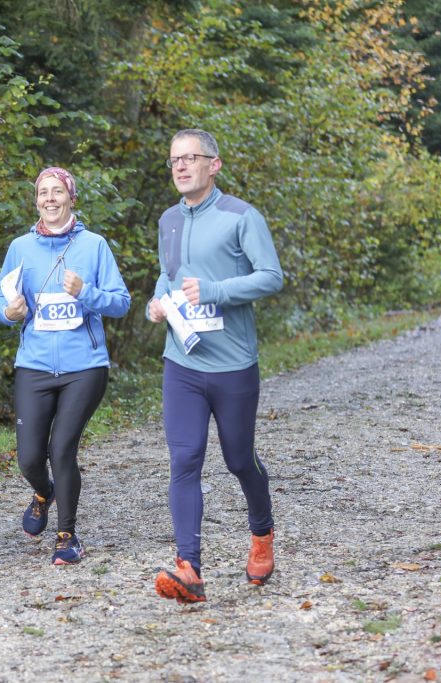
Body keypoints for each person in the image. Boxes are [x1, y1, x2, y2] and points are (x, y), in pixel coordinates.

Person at [147, 129, 283, 603]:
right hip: (181, 361)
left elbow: (271, 276)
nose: (181, 167)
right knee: (184, 459)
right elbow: (167, 277)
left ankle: (262, 535)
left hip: (232, 364)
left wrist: (218, 291)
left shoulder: (242, 216)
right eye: (174, 160)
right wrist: (156, 305)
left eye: (191, 158)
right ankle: (189, 568)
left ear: (214, 165)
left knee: (239, 459)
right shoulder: (167, 219)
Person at [0, 166, 131, 565]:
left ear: (71, 198)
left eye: (57, 192)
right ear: (36, 200)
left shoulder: (95, 246)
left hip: (84, 366)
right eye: (43, 193)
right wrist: (10, 312)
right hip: (34, 365)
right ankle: (42, 492)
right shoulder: (20, 247)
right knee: (29, 459)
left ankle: (66, 535)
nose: (50, 199)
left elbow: (121, 302)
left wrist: (85, 292)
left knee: (62, 449)